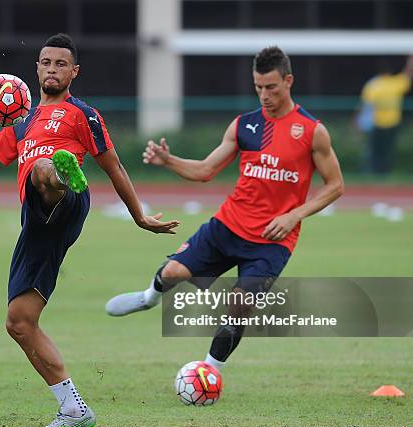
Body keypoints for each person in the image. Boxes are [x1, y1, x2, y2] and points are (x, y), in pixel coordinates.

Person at [0, 33, 179, 427]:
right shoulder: (21, 123)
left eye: (61, 64)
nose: (52, 69)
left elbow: (114, 167)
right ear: (37, 69)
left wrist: (140, 216)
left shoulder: (83, 115)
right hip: (36, 222)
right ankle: (74, 409)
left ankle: (60, 175)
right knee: (19, 322)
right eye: (46, 62)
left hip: (68, 202)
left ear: (74, 72)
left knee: (43, 170)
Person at [105, 46, 344, 377]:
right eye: (258, 87)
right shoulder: (244, 126)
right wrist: (169, 161)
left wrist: (293, 215)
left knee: (240, 304)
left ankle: (209, 371)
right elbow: (205, 170)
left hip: (272, 241)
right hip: (228, 226)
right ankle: (148, 297)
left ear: (288, 81)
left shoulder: (312, 130)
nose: (264, 95)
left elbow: (335, 185)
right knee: (173, 273)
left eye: (271, 87)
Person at [358, 56, 413, 174]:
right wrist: (410, 61)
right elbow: (408, 74)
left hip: (378, 123)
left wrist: (358, 121)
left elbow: (364, 105)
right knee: (384, 151)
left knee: (376, 151)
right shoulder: (395, 83)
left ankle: (377, 173)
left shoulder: (374, 85)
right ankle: (379, 173)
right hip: (386, 123)